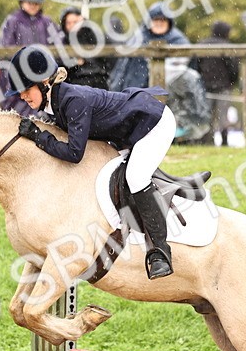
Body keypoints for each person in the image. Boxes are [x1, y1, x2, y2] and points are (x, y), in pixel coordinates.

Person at [9, 44, 176, 280]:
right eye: (19, 92)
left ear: (45, 82)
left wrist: (39, 137)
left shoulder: (72, 100)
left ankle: (160, 252)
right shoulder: (54, 103)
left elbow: (75, 153)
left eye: (26, 89)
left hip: (152, 123)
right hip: (125, 132)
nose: (22, 96)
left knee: (135, 177)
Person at [0, 0, 60, 113]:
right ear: (22, 2)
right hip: (18, 71)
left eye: (36, 3)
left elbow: (58, 46)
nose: (33, 5)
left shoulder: (47, 22)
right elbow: (5, 48)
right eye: (30, 2)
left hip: (42, 72)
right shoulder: (13, 21)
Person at [108, 2, 189, 91]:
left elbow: (180, 68)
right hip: (134, 86)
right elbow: (123, 66)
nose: (159, 23)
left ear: (168, 22)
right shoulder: (138, 37)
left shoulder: (178, 40)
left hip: (167, 89)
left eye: (162, 20)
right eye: (156, 20)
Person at [190, 20, 240, 146]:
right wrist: (232, 82)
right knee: (223, 116)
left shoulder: (202, 44)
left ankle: (207, 140)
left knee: (206, 115)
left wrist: (200, 80)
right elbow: (234, 68)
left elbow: (194, 65)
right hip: (223, 86)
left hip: (204, 86)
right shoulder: (227, 46)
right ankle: (224, 141)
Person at [59, 7, 110, 89]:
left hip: (97, 79)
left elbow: (104, 56)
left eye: (75, 22)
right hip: (76, 82)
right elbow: (61, 65)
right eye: (68, 23)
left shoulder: (92, 36)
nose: (72, 25)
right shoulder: (62, 41)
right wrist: (75, 62)